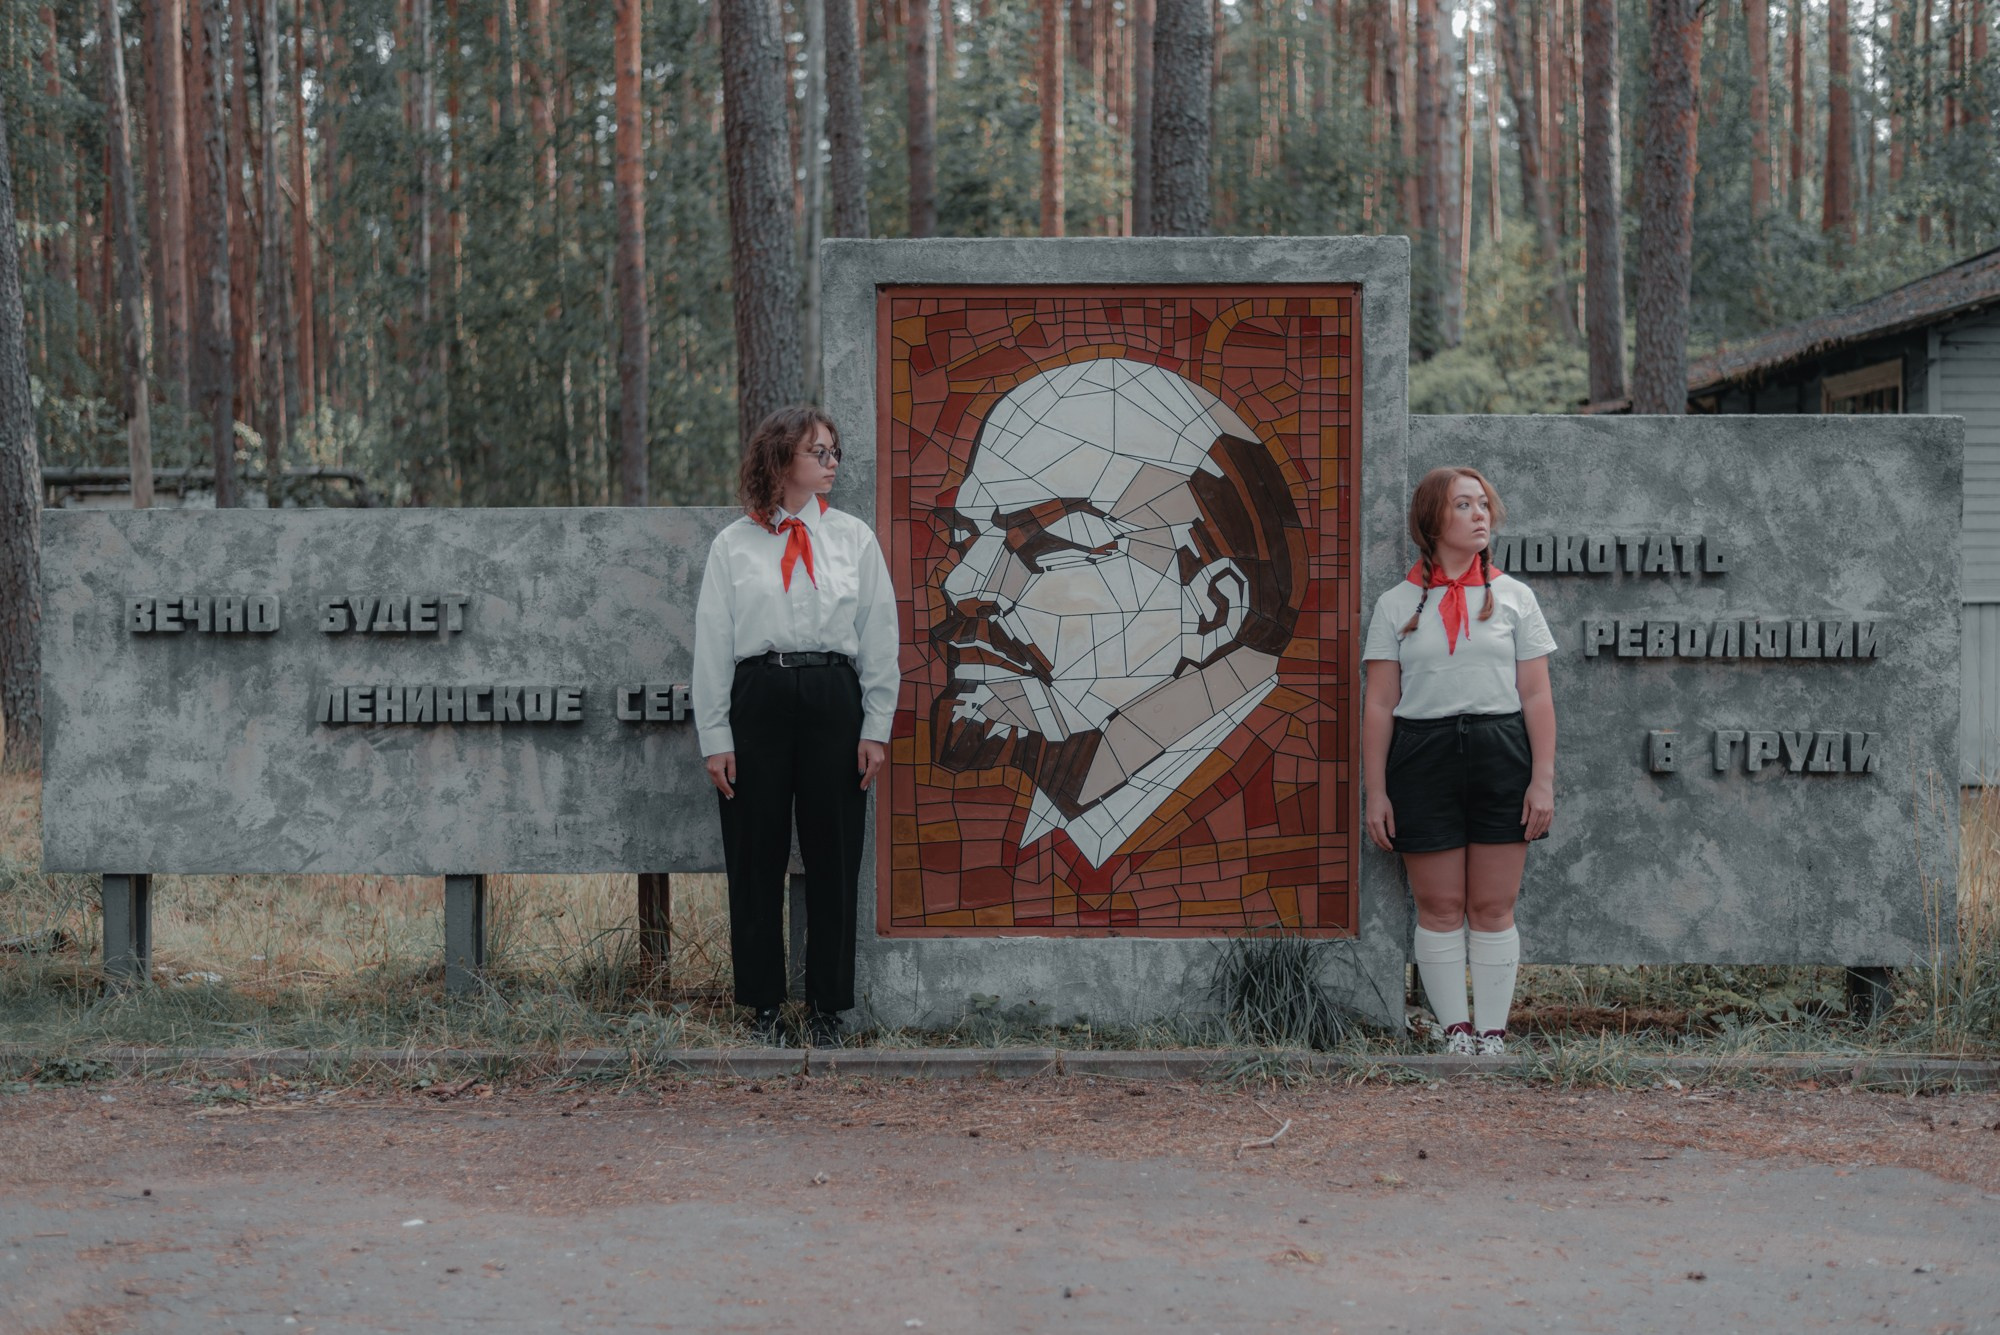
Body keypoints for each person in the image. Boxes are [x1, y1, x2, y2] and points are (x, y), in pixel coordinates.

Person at [928, 357, 1308, 868]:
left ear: (1214, 607)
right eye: (964, 537)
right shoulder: (1060, 823)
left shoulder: (1277, 819)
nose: (963, 587)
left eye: (1045, 548)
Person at [692, 406, 899, 1046]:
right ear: (782, 459)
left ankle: (829, 1008)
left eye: (835, 452)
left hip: (835, 697)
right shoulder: (734, 544)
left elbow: (879, 634)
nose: (832, 463)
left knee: (835, 853)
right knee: (755, 854)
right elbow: (711, 643)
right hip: (760, 693)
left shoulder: (854, 538)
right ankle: (762, 1007)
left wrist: (876, 725)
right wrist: (716, 737)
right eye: (819, 452)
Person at [1360, 467, 1557, 1056]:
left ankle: (1493, 1033)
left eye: (1484, 505)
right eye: (1464, 505)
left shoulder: (1517, 598)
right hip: (1422, 757)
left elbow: (1537, 697)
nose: (1480, 516)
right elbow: (1379, 703)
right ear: (1432, 521)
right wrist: (1377, 792)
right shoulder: (1395, 604)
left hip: (1501, 753)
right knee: (1440, 905)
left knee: (1493, 906)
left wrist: (1541, 780)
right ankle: (1456, 1034)